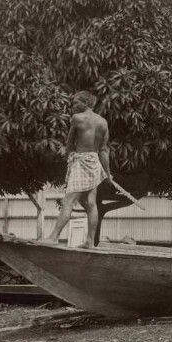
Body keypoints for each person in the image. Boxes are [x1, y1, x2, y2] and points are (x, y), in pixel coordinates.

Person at [45, 91, 112, 247]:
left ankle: (53, 237)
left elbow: (69, 144)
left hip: (81, 161)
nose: (73, 106)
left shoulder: (77, 118)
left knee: (68, 201)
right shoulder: (103, 122)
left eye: (76, 103)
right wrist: (108, 174)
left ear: (85, 103)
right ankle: (90, 242)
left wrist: (71, 154)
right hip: (94, 161)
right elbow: (104, 151)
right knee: (91, 203)